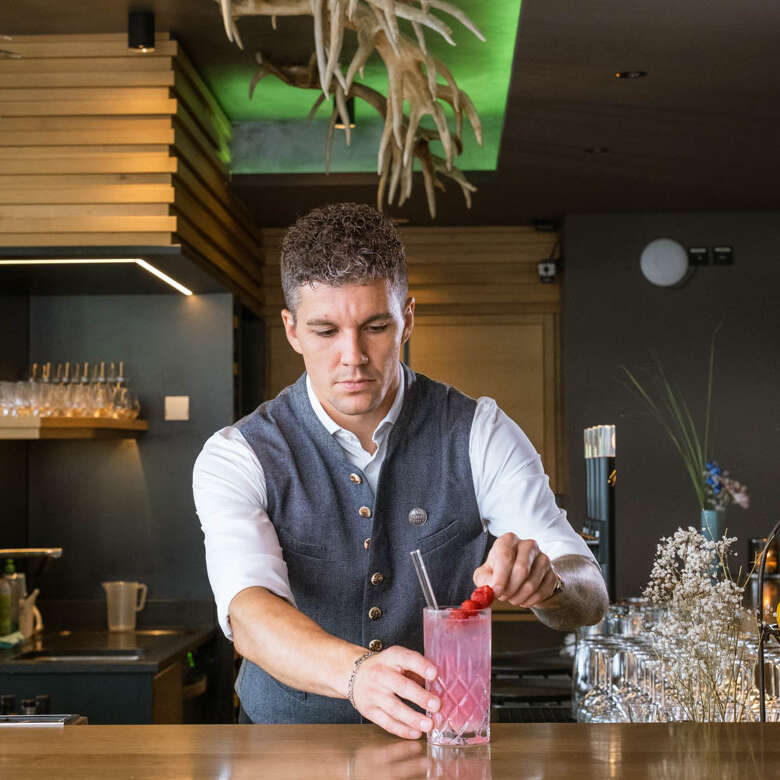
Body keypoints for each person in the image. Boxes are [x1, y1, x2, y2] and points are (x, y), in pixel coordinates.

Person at [193, 202, 608, 737]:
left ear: (407, 318)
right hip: (285, 747)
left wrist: (549, 584)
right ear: (292, 330)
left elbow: (589, 594)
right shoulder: (238, 454)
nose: (353, 357)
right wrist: (355, 675)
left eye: (376, 326)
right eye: (325, 332)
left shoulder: (479, 431)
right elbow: (249, 614)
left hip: (440, 742)